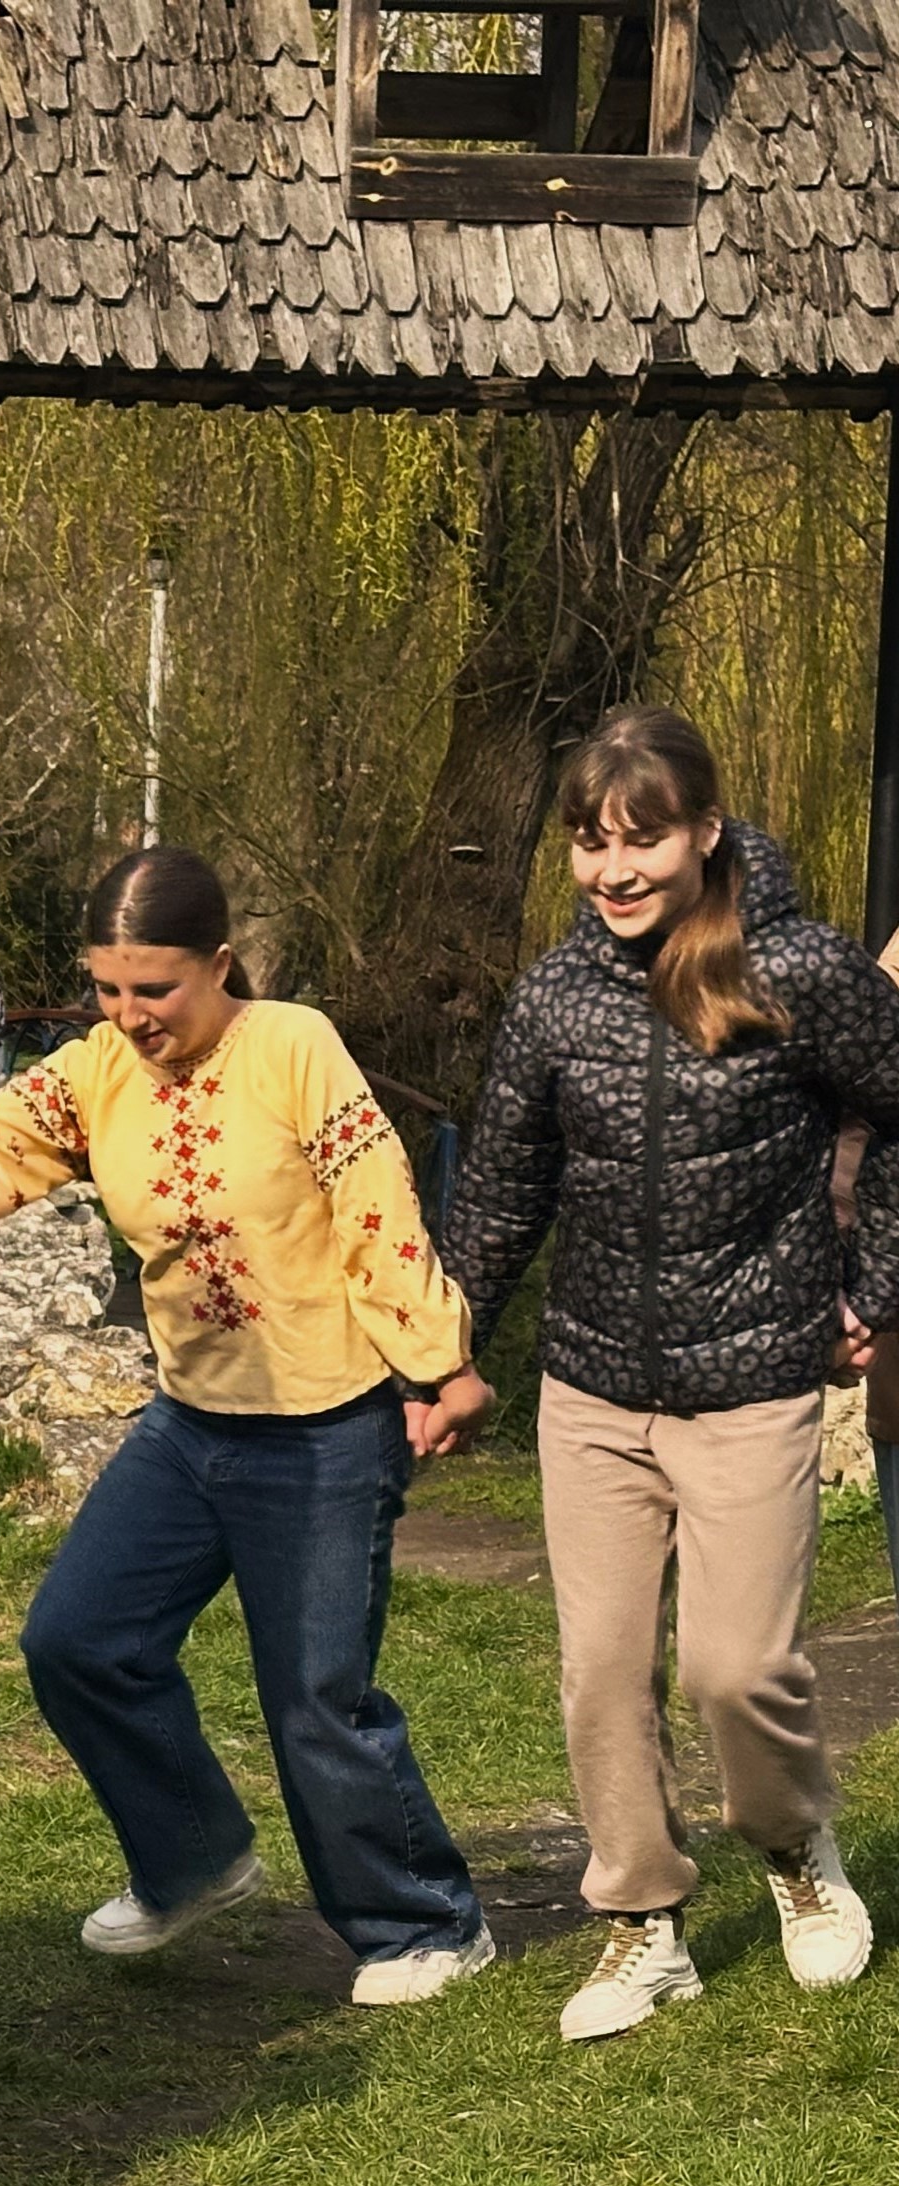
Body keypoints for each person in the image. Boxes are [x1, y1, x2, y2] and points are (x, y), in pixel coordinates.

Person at [0, 846, 498, 2004]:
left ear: (218, 964)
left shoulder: (293, 1045)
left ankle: (426, 1925)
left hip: (326, 1425)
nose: (130, 1015)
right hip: (190, 1425)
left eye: (155, 989)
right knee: (76, 1640)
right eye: (107, 988)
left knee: (315, 1694)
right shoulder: (93, 1072)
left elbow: (377, 1211)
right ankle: (193, 1855)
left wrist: (436, 1365)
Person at [445, 705, 899, 2040]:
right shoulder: (555, 996)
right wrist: (439, 1353)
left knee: (734, 1670)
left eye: (643, 839)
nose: (615, 869)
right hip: (591, 1391)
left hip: (755, 1377)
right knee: (601, 1676)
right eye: (592, 844)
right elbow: (503, 1198)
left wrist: (871, 1286)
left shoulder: (797, 972)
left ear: (703, 833)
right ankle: (644, 1926)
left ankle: (793, 1850)